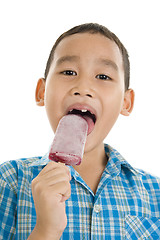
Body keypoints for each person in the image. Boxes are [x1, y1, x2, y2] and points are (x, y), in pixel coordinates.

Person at [0, 23, 160, 240]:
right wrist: (46, 230)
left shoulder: (154, 193)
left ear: (126, 102)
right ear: (42, 92)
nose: (83, 87)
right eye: (68, 72)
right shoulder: (10, 181)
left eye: (103, 77)